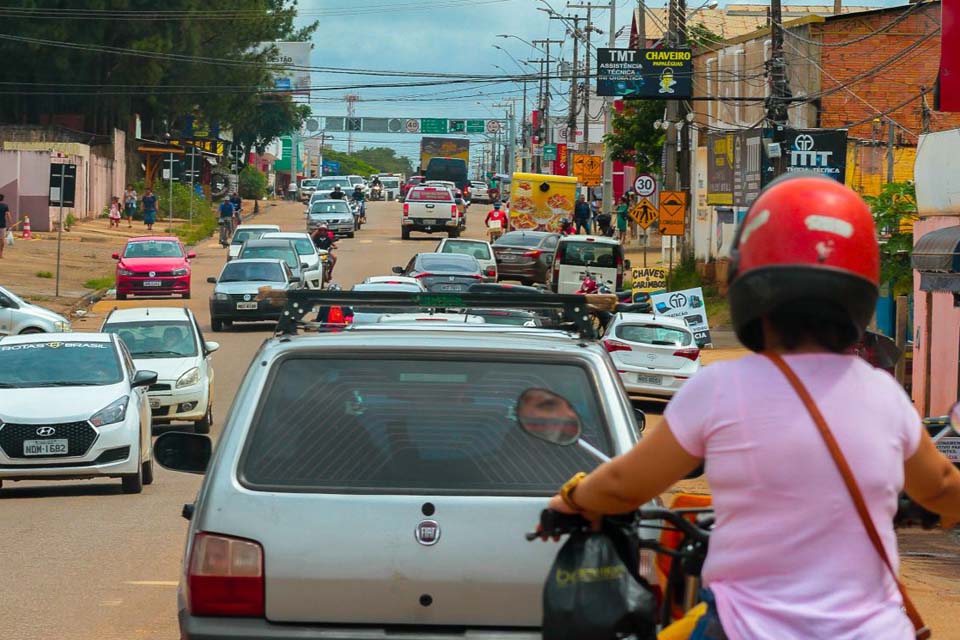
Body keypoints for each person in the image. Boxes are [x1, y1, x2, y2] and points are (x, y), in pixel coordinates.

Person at [541, 174, 960, 639]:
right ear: (860, 292)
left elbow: (623, 485)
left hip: (745, 628)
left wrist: (572, 500)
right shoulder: (885, 394)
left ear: (748, 284)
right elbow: (942, 488)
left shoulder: (720, 388)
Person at [0, 194, 10, 259]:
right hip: (2, 225)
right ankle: (0, 254)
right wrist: (10, 224)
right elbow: (8, 215)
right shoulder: (5, 206)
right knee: (2, 240)